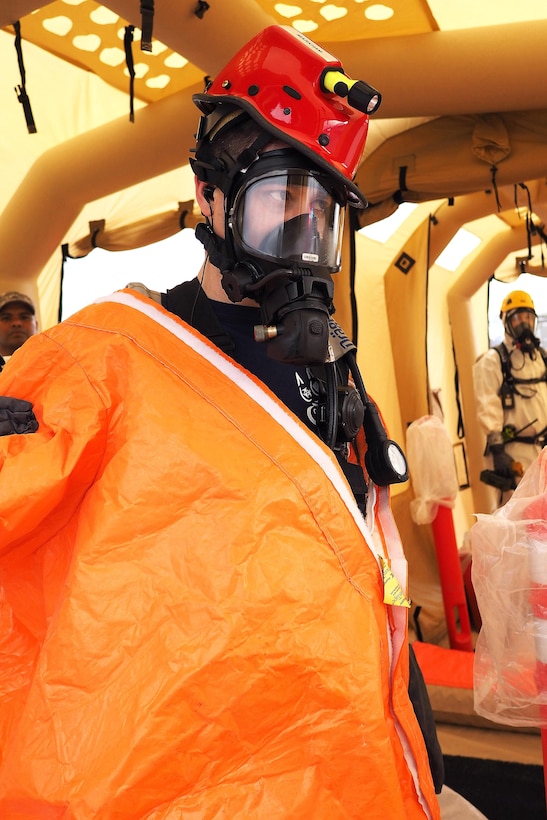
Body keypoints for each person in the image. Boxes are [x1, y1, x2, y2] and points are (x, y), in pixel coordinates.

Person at [0, 26, 441, 818]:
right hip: (179, 770)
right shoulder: (112, 356)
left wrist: (412, 721)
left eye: (319, 218)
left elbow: (362, 557)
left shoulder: (332, 368)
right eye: (279, 206)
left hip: (343, 763)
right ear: (209, 197)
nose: (301, 243)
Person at [473, 290, 547, 501]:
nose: (524, 324)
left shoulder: (540, 358)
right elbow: (487, 405)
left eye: (528, 318)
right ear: (506, 322)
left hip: (542, 449)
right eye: (517, 318)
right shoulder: (493, 361)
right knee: (519, 517)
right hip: (514, 452)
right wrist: (498, 451)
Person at [0, 290, 38, 370]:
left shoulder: (54, 365)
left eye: (24, 317)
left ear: (36, 325)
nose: (16, 323)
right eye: (6, 318)